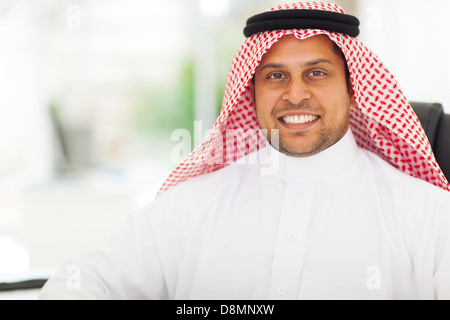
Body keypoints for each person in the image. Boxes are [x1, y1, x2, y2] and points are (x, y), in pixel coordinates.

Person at [40, 1, 450, 300]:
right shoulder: (194, 205)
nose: (295, 94)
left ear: (353, 87)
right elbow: (83, 280)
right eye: (275, 76)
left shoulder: (425, 215)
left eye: (317, 73)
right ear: (251, 92)